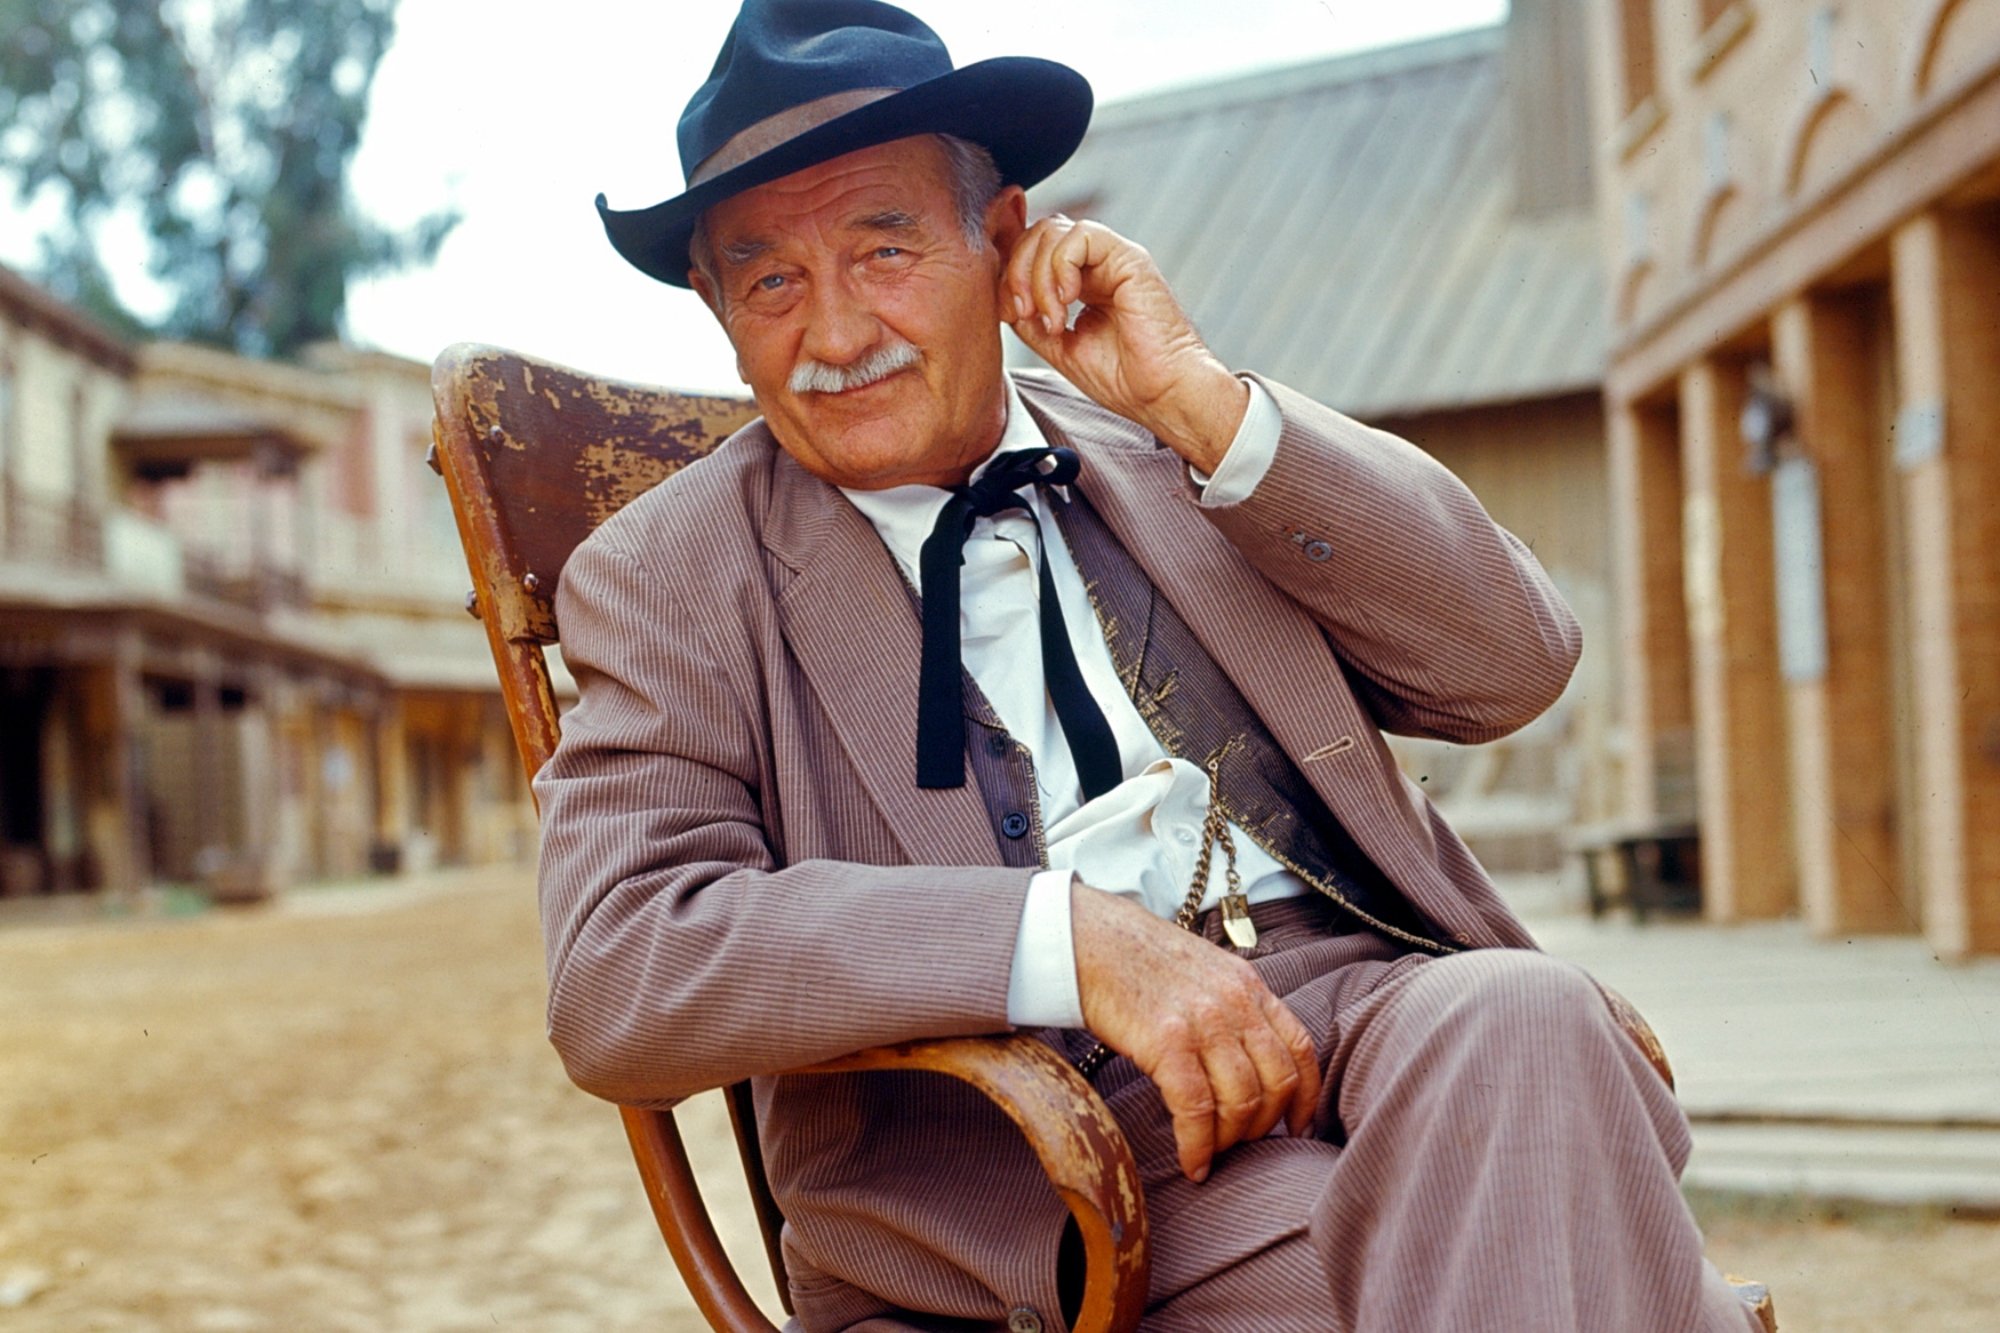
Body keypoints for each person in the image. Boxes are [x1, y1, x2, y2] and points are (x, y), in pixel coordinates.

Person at [537, 2, 1765, 1329]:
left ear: (998, 240)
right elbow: (618, 964)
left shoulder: (1164, 443)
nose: (835, 336)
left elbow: (1513, 662)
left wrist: (1201, 402)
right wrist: (1064, 943)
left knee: (1527, 1018)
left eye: (883, 249)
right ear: (717, 309)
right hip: (1047, 1167)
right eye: (770, 281)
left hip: (1367, 1017)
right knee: (1566, 1252)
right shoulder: (671, 571)